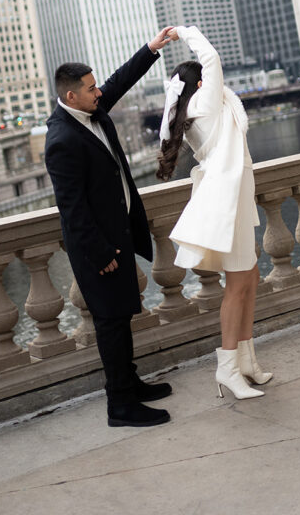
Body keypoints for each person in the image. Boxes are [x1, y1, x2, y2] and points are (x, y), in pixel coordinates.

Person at [45, 28, 174, 429]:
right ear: (71, 97)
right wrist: (102, 254)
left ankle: (130, 383)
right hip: (97, 251)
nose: (98, 91)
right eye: (90, 88)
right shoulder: (61, 139)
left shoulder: (92, 111)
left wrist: (150, 50)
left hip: (116, 238)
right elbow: (73, 209)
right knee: (110, 324)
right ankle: (120, 405)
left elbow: (118, 81)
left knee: (121, 317)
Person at [158, 25, 272, 400]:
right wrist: (186, 32)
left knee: (249, 278)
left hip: (236, 197)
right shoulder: (203, 104)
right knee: (237, 286)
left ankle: (246, 360)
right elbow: (213, 57)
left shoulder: (200, 108)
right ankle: (227, 368)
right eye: (207, 78)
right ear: (201, 83)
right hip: (229, 201)